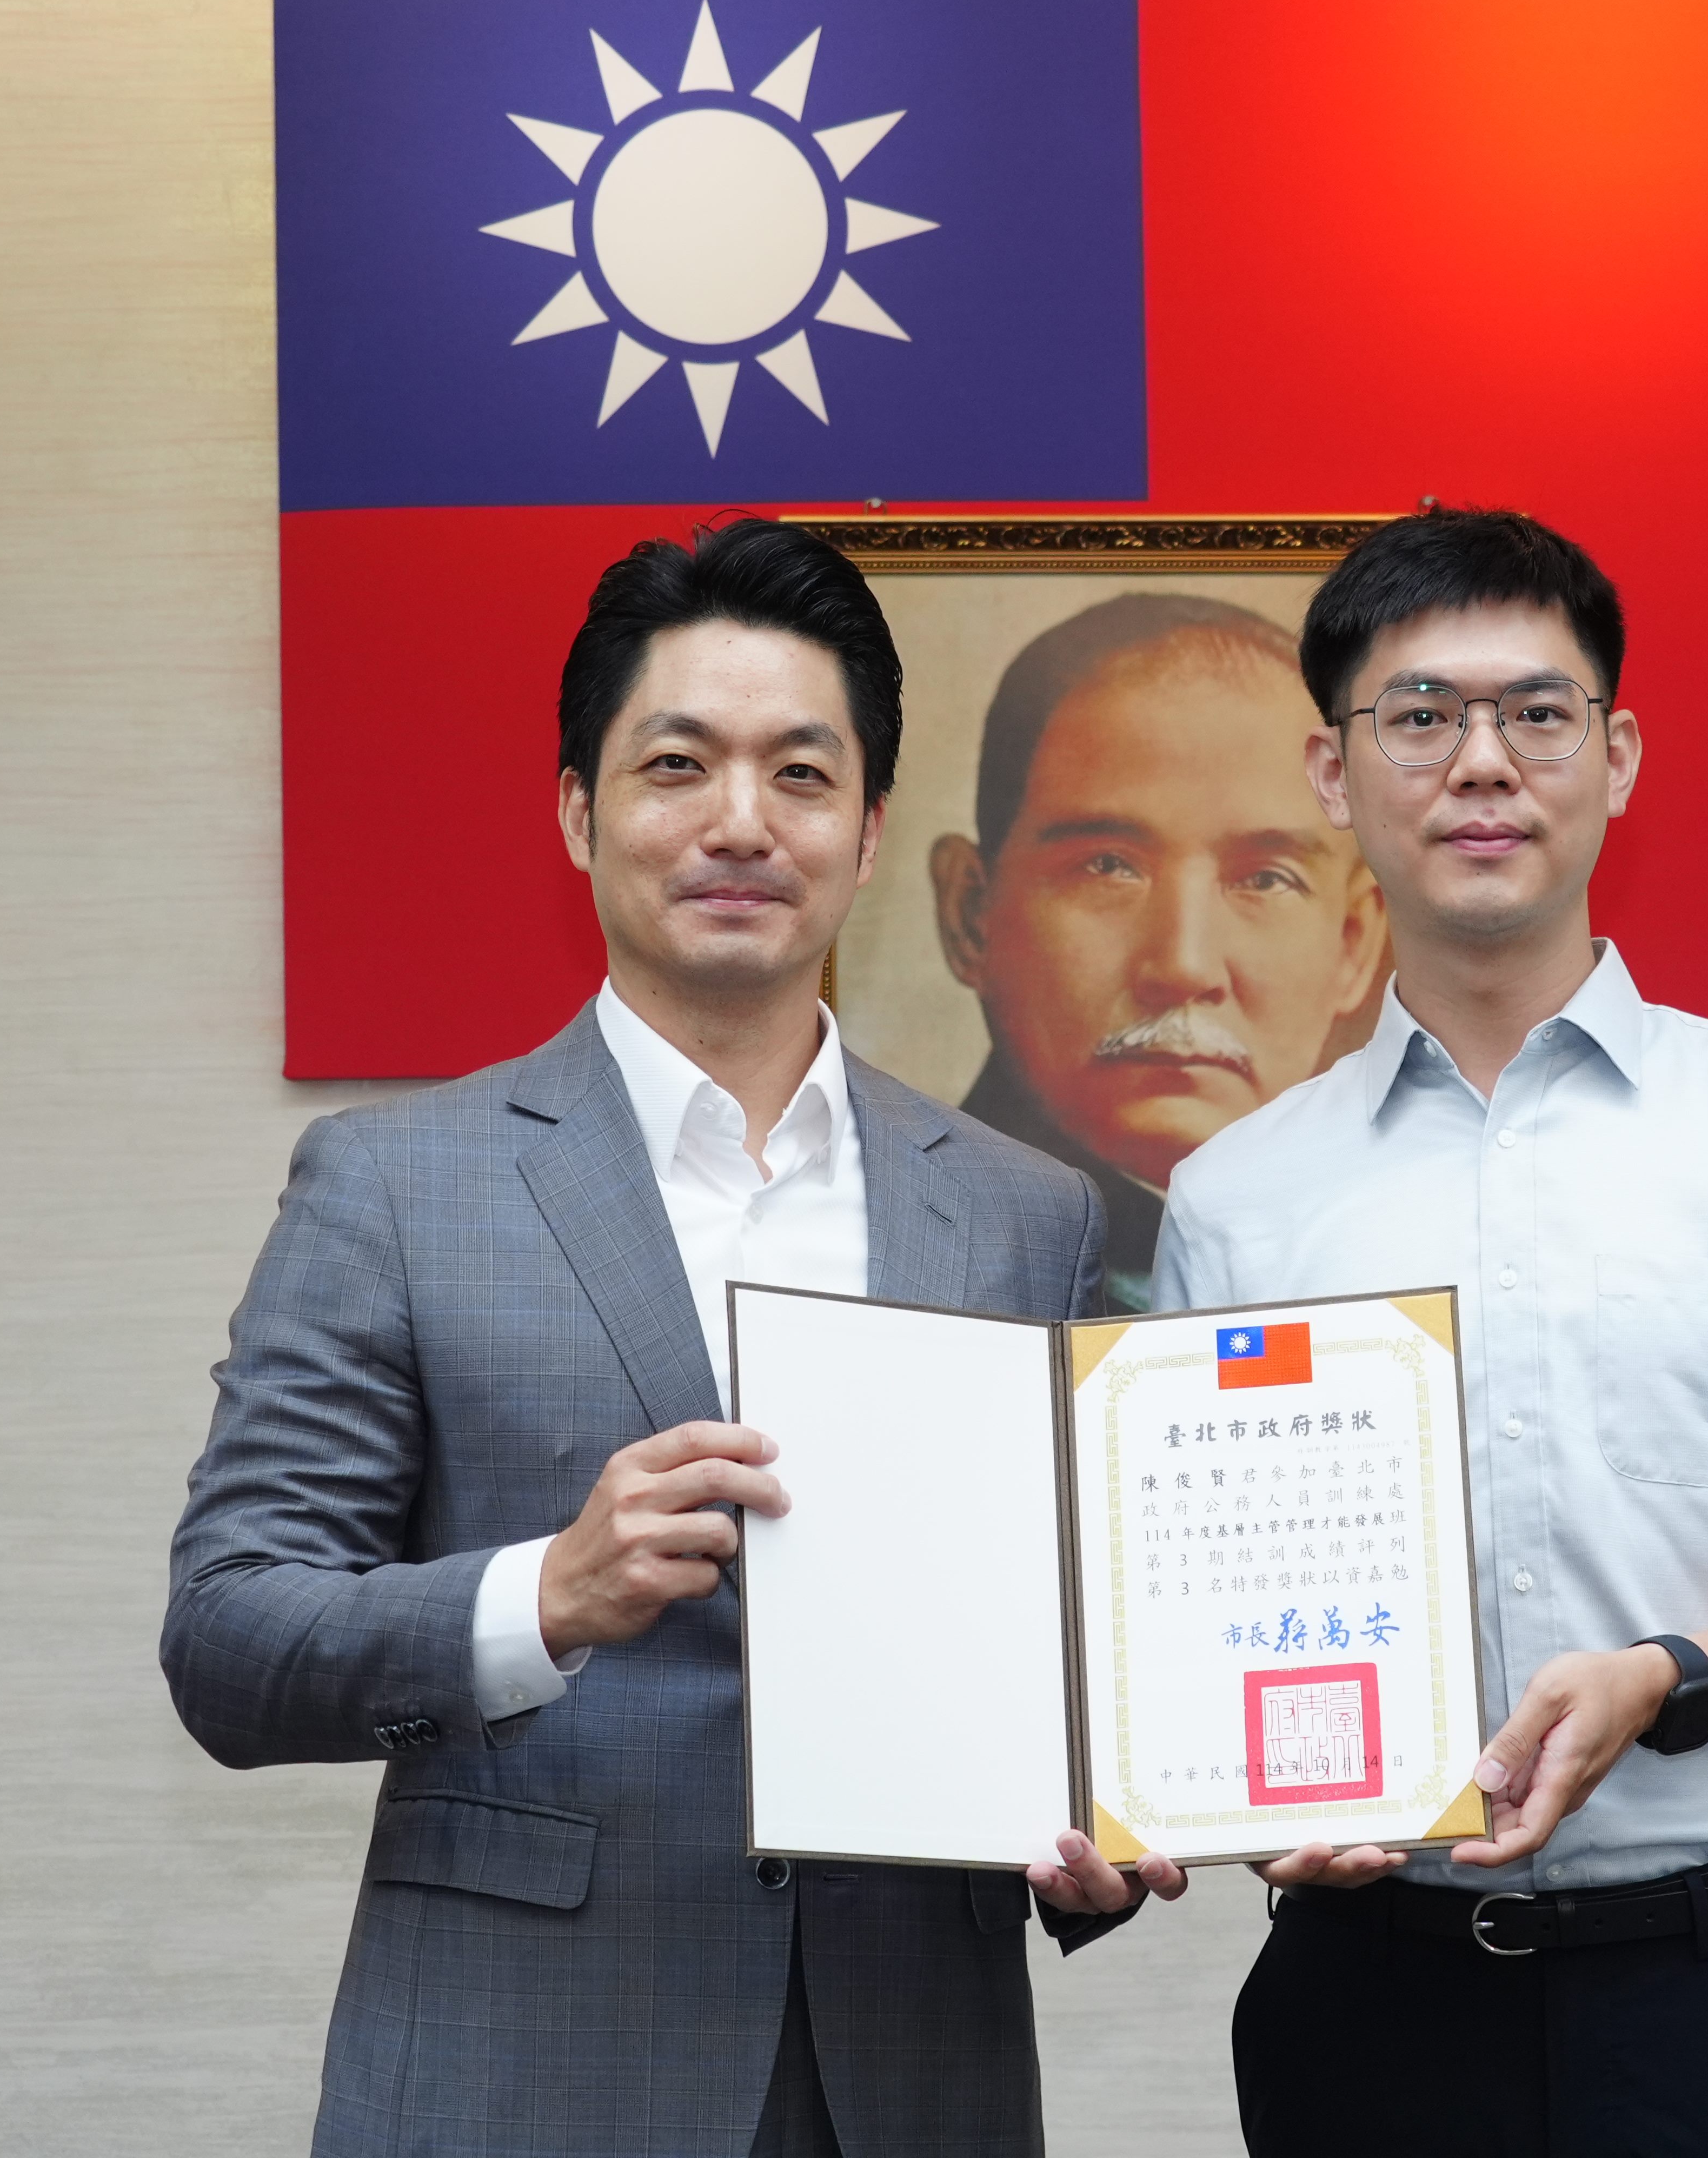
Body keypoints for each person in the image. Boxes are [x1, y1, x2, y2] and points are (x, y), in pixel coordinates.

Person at [162, 521, 1174, 2158]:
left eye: (801, 774)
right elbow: (229, 1640)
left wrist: (1105, 1826)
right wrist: (543, 1597)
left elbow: (1070, 1665)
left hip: (912, 2075)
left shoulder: (1021, 1212)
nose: (740, 822)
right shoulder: (397, 1183)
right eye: (677, 765)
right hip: (524, 2076)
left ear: (869, 832)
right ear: (580, 812)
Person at [1146, 509, 1708, 2156]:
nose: (1483, 762)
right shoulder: (1236, 1198)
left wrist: (1670, 1678)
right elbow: (1193, 1632)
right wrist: (1233, 1793)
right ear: (1335, 774)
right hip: (1368, 2009)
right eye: (1421, 715)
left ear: (1617, 758)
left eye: (1538, 713)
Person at [928, 595, 1386, 1311]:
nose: (1184, 967)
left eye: (1266, 880)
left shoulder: (1392, 1251)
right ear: (970, 916)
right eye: (1108, 867)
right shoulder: (894, 1260)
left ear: (1353, 943)